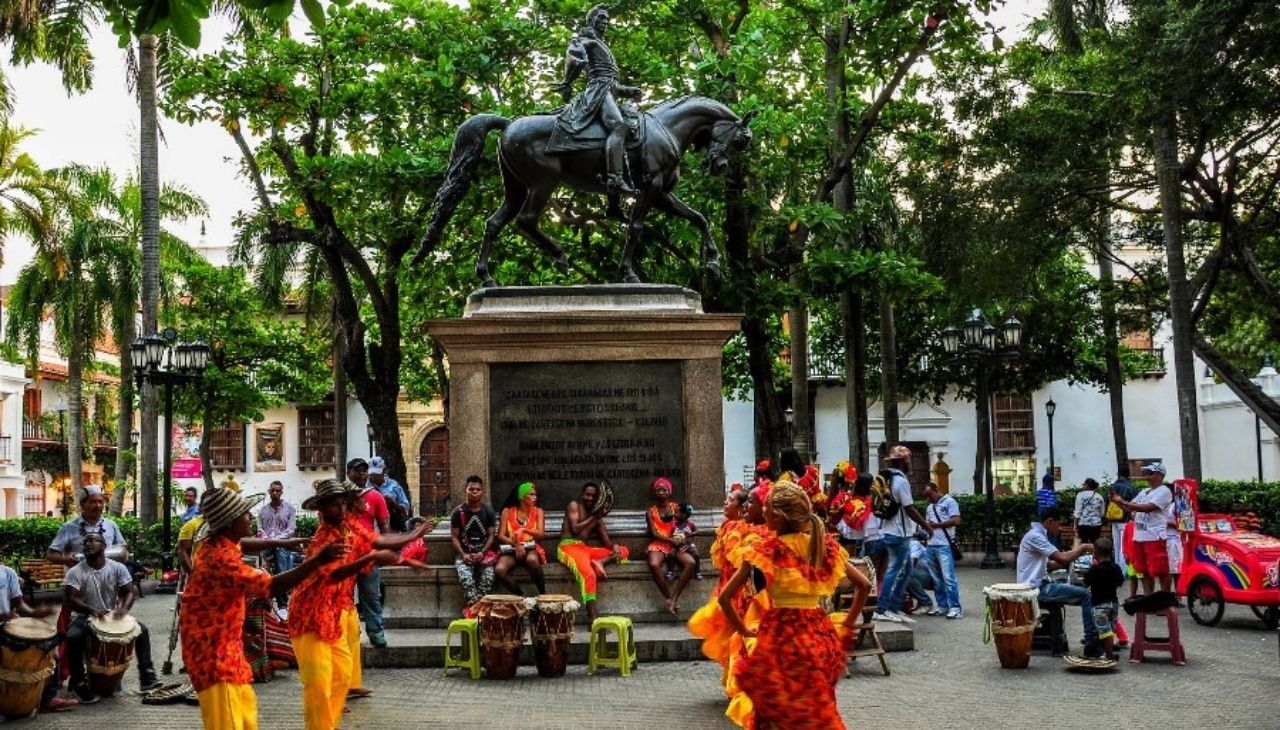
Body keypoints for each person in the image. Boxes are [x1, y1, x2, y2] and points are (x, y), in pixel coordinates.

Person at [182, 487, 345, 729]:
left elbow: (244, 544)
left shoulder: (221, 542)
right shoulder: (219, 559)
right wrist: (316, 561)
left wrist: (283, 542)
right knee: (229, 721)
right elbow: (270, 586)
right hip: (213, 656)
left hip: (227, 650)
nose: (251, 516)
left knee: (246, 719)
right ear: (230, 522)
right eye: (245, 514)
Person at [718, 481, 871, 730]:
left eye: (766, 507)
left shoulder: (763, 549)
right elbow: (863, 585)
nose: (763, 512)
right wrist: (847, 623)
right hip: (819, 635)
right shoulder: (823, 546)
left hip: (781, 637)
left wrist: (744, 630)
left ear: (776, 516)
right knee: (816, 709)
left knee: (776, 712)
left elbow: (725, 599)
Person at [289, 479, 401, 730]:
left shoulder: (346, 531)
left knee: (341, 671)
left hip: (330, 612)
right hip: (309, 615)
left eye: (343, 504)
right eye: (334, 506)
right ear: (322, 509)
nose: (340, 510)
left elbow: (374, 544)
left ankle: (328, 719)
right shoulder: (325, 538)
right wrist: (371, 557)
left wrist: (409, 543)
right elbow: (334, 574)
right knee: (318, 682)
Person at [343, 486, 434, 696]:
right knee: (338, 647)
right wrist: (414, 535)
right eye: (361, 498)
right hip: (329, 599)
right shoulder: (345, 526)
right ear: (350, 503)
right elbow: (380, 544)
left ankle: (350, 684)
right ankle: (336, 692)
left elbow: (379, 548)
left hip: (343, 599)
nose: (366, 501)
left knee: (352, 636)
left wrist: (408, 560)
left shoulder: (355, 525)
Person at [555, 4, 643, 195]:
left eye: (606, 19)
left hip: (607, 90)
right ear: (591, 20)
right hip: (598, 91)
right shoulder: (589, 40)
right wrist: (567, 80)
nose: (604, 22)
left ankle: (613, 204)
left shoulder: (602, 45)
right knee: (618, 126)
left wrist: (629, 91)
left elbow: (611, 82)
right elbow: (575, 54)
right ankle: (615, 179)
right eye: (601, 18)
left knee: (631, 130)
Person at [63, 532, 161, 702]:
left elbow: (129, 592)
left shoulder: (117, 567)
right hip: (83, 615)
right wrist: (91, 610)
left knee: (142, 630)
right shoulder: (75, 572)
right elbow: (70, 599)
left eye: (93, 540)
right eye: (85, 542)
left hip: (110, 614)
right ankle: (79, 683)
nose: (87, 544)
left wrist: (123, 609)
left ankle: (147, 676)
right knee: (73, 636)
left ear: (104, 546)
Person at [1015, 507, 1102, 658]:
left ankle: (1060, 643)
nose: (1060, 528)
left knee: (1075, 586)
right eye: (1058, 524)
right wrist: (1082, 548)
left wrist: (1072, 558)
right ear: (1050, 522)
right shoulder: (1036, 536)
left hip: (1039, 584)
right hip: (1036, 589)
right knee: (1086, 595)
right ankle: (1091, 643)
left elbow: (1051, 565)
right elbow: (1062, 558)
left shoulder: (1036, 535)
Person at [558, 481, 629, 621]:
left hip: (585, 549)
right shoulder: (574, 506)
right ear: (582, 495)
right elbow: (575, 528)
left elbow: (607, 543)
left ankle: (600, 561)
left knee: (624, 550)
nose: (590, 498)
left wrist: (614, 547)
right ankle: (592, 617)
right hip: (569, 547)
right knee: (590, 575)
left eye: (593, 496)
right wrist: (593, 517)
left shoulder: (597, 519)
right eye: (587, 495)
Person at [875, 444, 930, 624]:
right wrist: (926, 526)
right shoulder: (901, 481)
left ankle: (894, 607)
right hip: (899, 533)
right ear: (902, 461)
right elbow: (910, 509)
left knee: (905, 570)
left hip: (889, 530)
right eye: (908, 459)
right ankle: (883, 609)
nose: (910, 463)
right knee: (895, 570)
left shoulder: (888, 478)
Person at [1110, 463, 1174, 594]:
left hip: (1155, 536)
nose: (1147, 476)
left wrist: (1123, 502)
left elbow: (1148, 507)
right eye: (1147, 473)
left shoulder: (1164, 491)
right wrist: (1118, 501)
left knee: (1160, 570)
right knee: (1143, 570)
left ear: (1160, 475)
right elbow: (1129, 507)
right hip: (1139, 536)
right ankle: (1149, 598)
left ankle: (1166, 599)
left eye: (1151, 473)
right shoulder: (1144, 491)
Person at [346, 458, 391, 648]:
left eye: (364, 471)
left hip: (369, 553)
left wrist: (385, 545)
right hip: (345, 553)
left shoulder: (375, 496)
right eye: (357, 471)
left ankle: (375, 631)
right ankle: (348, 630)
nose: (361, 474)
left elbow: (384, 524)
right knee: (344, 595)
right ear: (348, 473)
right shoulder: (340, 496)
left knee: (371, 594)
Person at [646, 477, 697, 615]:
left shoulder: (676, 508)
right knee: (654, 564)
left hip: (677, 544)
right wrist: (670, 540)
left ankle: (675, 598)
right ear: (654, 492)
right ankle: (668, 598)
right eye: (658, 490)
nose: (661, 492)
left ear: (670, 492)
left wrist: (684, 540)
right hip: (660, 543)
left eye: (664, 490)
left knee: (691, 563)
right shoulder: (650, 512)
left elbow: (688, 526)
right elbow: (653, 533)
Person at [451, 475, 498, 615]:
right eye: (471, 489)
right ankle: (478, 612)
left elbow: (491, 535)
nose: (474, 492)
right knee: (466, 579)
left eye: (478, 489)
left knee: (488, 578)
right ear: (465, 490)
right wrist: (463, 554)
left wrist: (482, 552)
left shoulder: (488, 512)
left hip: (484, 553)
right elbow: (454, 537)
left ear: (482, 491)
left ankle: (476, 611)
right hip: (464, 553)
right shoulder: (458, 512)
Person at [47, 486, 127, 567]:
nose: (98, 505)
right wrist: (65, 559)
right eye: (92, 502)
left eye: (101, 502)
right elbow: (51, 555)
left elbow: (123, 549)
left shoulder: (111, 525)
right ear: (82, 504)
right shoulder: (68, 528)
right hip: (78, 578)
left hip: (106, 577)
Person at [495, 482, 547, 596]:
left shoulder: (538, 511)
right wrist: (516, 544)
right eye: (531, 495)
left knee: (532, 560)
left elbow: (541, 534)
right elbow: (501, 536)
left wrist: (524, 530)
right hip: (512, 548)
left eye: (535, 495)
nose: (535, 498)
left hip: (530, 547)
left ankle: (543, 594)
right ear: (522, 497)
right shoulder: (507, 512)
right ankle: (521, 597)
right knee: (500, 570)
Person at [922, 481, 963, 618]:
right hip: (931, 545)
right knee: (936, 579)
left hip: (944, 544)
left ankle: (955, 608)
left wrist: (937, 525)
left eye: (929, 495)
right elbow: (928, 524)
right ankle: (942, 606)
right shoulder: (929, 507)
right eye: (926, 496)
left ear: (935, 490)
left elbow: (956, 520)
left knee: (948, 578)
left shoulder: (949, 502)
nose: (928, 499)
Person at [1083, 537, 1125, 661]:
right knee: (1111, 627)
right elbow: (1120, 582)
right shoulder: (1116, 567)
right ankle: (1108, 650)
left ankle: (1109, 654)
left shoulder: (1095, 569)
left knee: (1103, 630)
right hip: (1113, 603)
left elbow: (1086, 582)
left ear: (1095, 553)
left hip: (1100, 604)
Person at [258, 481, 300, 576]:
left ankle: (281, 583)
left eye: (277, 491)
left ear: (281, 492)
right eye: (273, 490)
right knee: (262, 558)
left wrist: (276, 540)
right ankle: (264, 581)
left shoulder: (290, 509)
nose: (275, 493)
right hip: (266, 544)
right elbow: (260, 529)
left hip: (283, 544)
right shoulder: (263, 510)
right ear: (269, 491)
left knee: (279, 552)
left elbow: (290, 529)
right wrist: (267, 539)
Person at [367, 456, 411, 532]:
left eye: (377, 474)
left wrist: (393, 503)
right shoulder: (365, 486)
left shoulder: (394, 485)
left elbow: (406, 507)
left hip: (392, 527)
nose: (374, 476)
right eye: (372, 473)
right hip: (370, 527)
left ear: (384, 471)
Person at [668, 503, 701, 581]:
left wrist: (691, 534)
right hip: (677, 546)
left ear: (684, 515)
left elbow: (697, 531)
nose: (674, 514)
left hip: (688, 545)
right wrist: (673, 540)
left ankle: (697, 571)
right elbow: (670, 534)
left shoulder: (690, 524)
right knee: (671, 554)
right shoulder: (674, 525)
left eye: (676, 512)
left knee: (696, 554)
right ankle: (671, 571)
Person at [1075, 478, 1106, 545]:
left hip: (1083, 524)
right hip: (1096, 524)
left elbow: (1078, 512)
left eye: (1084, 485)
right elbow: (1102, 513)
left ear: (1087, 485)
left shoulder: (1080, 495)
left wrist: (1075, 524)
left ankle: (1085, 555)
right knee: (1095, 544)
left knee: (1084, 544)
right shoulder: (1099, 496)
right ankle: (1093, 555)